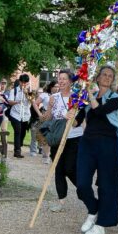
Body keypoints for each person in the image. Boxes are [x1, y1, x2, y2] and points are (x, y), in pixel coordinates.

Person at [76, 65, 118, 234]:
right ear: (98, 77)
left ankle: (102, 224)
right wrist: (72, 118)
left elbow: (100, 111)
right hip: (87, 143)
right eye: (105, 74)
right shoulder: (88, 98)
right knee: (82, 184)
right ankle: (93, 209)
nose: (108, 77)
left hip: (107, 144)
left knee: (107, 184)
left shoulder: (116, 98)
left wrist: (89, 95)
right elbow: (78, 118)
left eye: (111, 75)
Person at [44, 70, 82, 212]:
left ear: (71, 81)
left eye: (64, 79)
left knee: (69, 168)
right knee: (58, 169)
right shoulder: (53, 97)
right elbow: (47, 118)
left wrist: (74, 119)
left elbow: (82, 118)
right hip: (57, 137)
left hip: (74, 137)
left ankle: (83, 189)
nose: (60, 81)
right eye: (59, 79)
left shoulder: (77, 97)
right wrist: (49, 107)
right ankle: (61, 202)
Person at [7, 74, 33, 158]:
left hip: (25, 115)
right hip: (15, 114)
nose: (23, 84)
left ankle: (19, 145)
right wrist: (17, 101)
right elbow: (10, 101)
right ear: (20, 82)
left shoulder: (30, 91)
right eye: (22, 82)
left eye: (25, 83)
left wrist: (27, 94)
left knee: (23, 132)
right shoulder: (14, 91)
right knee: (17, 131)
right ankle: (17, 151)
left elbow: (32, 102)